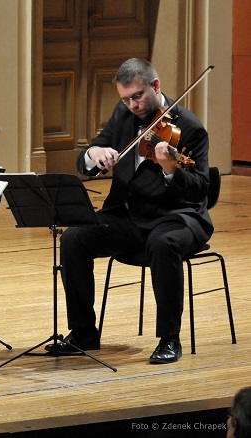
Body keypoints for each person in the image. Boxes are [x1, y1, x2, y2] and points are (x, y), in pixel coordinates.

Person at [47, 58, 211, 364]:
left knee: (163, 244)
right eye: (126, 98)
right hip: (129, 215)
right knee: (74, 238)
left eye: (137, 96)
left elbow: (201, 188)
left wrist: (171, 170)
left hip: (176, 216)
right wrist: (93, 154)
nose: (132, 105)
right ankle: (84, 332)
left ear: (155, 86)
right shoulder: (122, 114)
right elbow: (92, 151)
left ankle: (169, 339)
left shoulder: (189, 127)